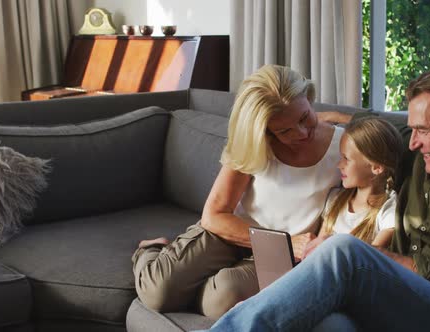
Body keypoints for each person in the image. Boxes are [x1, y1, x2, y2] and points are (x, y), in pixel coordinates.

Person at [202, 64, 430, 331]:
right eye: (411, 129)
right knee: (327, 324)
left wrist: (372, 257)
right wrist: (321, 120)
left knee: (345, 251)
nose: (411, 143)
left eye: (423, 131)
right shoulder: (421, 151)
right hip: (393, 300)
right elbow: (373, 125)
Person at [132, 64, 344, 319]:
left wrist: (340, 117)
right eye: (284, 130)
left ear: (310, 100)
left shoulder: (344, 145)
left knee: (221, 300)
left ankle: (189, 283)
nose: (301, 133)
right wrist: (286, 239)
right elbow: (214, 215)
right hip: (231, 234)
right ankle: (151, 249)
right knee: (158, 292)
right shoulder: (255, 143)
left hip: (283, 254)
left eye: (304, 117)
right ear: (265, 130)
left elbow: (378, 130)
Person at [303, 117, 403, 259]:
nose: (339, 165)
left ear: (376, 167)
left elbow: (371, 260)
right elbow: (316, 254)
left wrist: (331, 246)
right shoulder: (336, 199)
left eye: (346, 159)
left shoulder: (387, 211)